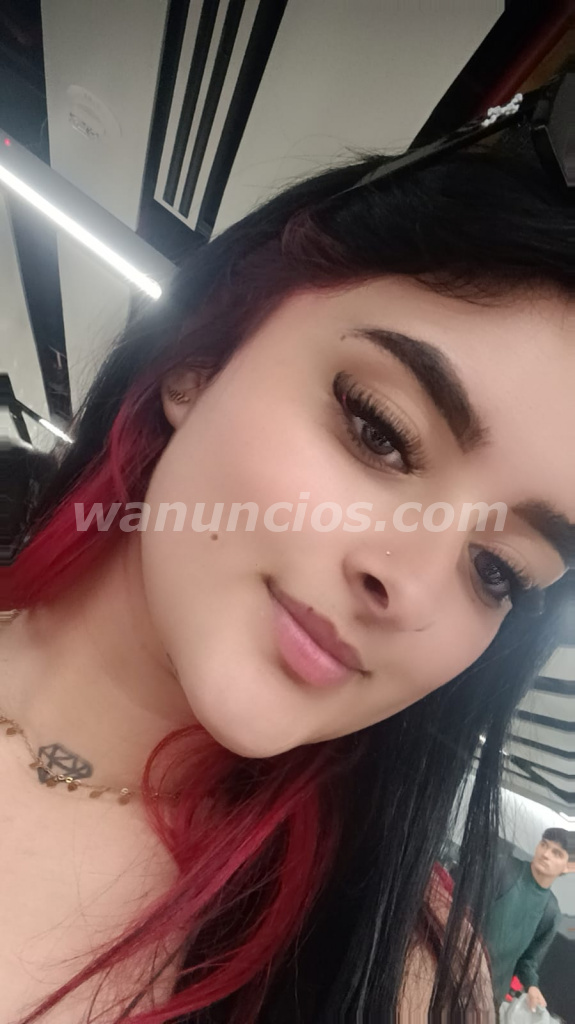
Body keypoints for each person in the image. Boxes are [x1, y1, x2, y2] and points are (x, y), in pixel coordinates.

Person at [0, 89, 573, 1023]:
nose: (410, 587)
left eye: (496, 569)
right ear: (201, 357)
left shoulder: (403, 983)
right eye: (380, 431)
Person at [484, 828, 571, 1013]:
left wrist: (532, 985)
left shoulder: (551, 912)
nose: (545, 854)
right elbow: (462, 909)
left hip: (490, 994)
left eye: (557, 853)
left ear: (569, 866)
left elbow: (528, 960)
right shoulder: (503, 868)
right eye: (544, 845)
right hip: (453, 970)